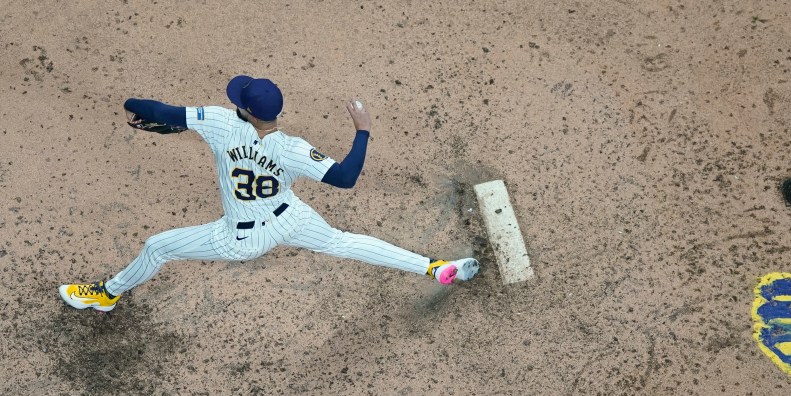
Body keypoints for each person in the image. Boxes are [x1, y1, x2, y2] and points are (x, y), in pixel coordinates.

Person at [59, 75, 479, 312]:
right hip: (290, 217)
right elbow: (346, 177)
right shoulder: (294, 148)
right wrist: (363, 130)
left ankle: (107, 294)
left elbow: (153, 109)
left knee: (156, 247)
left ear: (245, 111)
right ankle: (436, 267)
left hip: (240, 237)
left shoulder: (221, 123)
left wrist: (132, 102)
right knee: (343, 242)